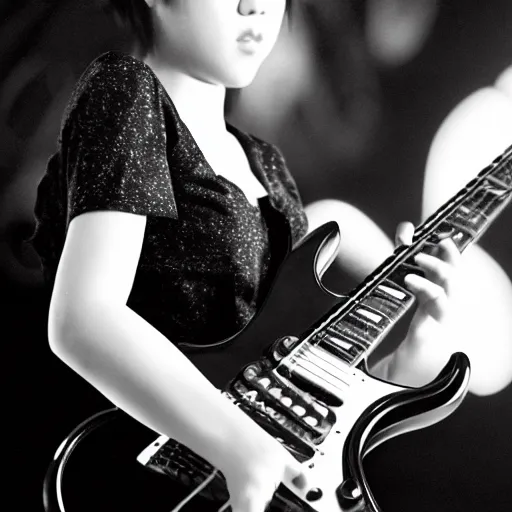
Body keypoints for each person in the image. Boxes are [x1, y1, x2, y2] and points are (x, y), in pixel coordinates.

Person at [28, 1, 461, 511]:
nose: (255, 6)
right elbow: (84, 318)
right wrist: (239, 446)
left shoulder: (267, 167)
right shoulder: (127, 91)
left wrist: (410, 350)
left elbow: (301, 409)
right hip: (140, 480)